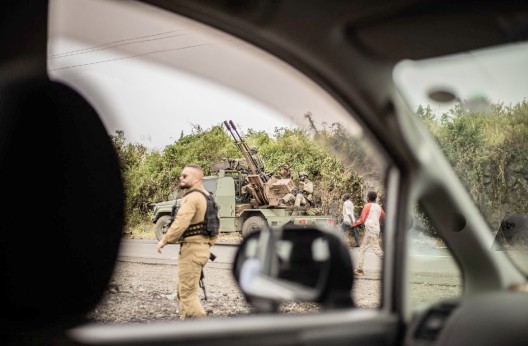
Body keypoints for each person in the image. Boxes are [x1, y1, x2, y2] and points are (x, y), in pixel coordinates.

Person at [156, 164, 218, 319]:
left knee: (188, 296)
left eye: (185, 176)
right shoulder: (207, 196)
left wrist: (165, 240)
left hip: (192, 250)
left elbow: (181, 221)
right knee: (182, 291)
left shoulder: (192, 197)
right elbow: (216, 226)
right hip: (201, 250)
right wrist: (206, 244)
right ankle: (185, 327)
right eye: (181, 175)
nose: (181, 178)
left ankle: (205, 332)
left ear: (197, 178)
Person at [352, 191, 385, 276]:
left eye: (367, 197)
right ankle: (359, 270)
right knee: (362, 249)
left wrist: (354, 224)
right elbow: (384, 217)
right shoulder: (378, 207)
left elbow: (362, 219)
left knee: (377, 250)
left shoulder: (367, 206)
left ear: (368, 198)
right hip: (374, 229)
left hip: (371, 230)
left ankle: (393, 264)